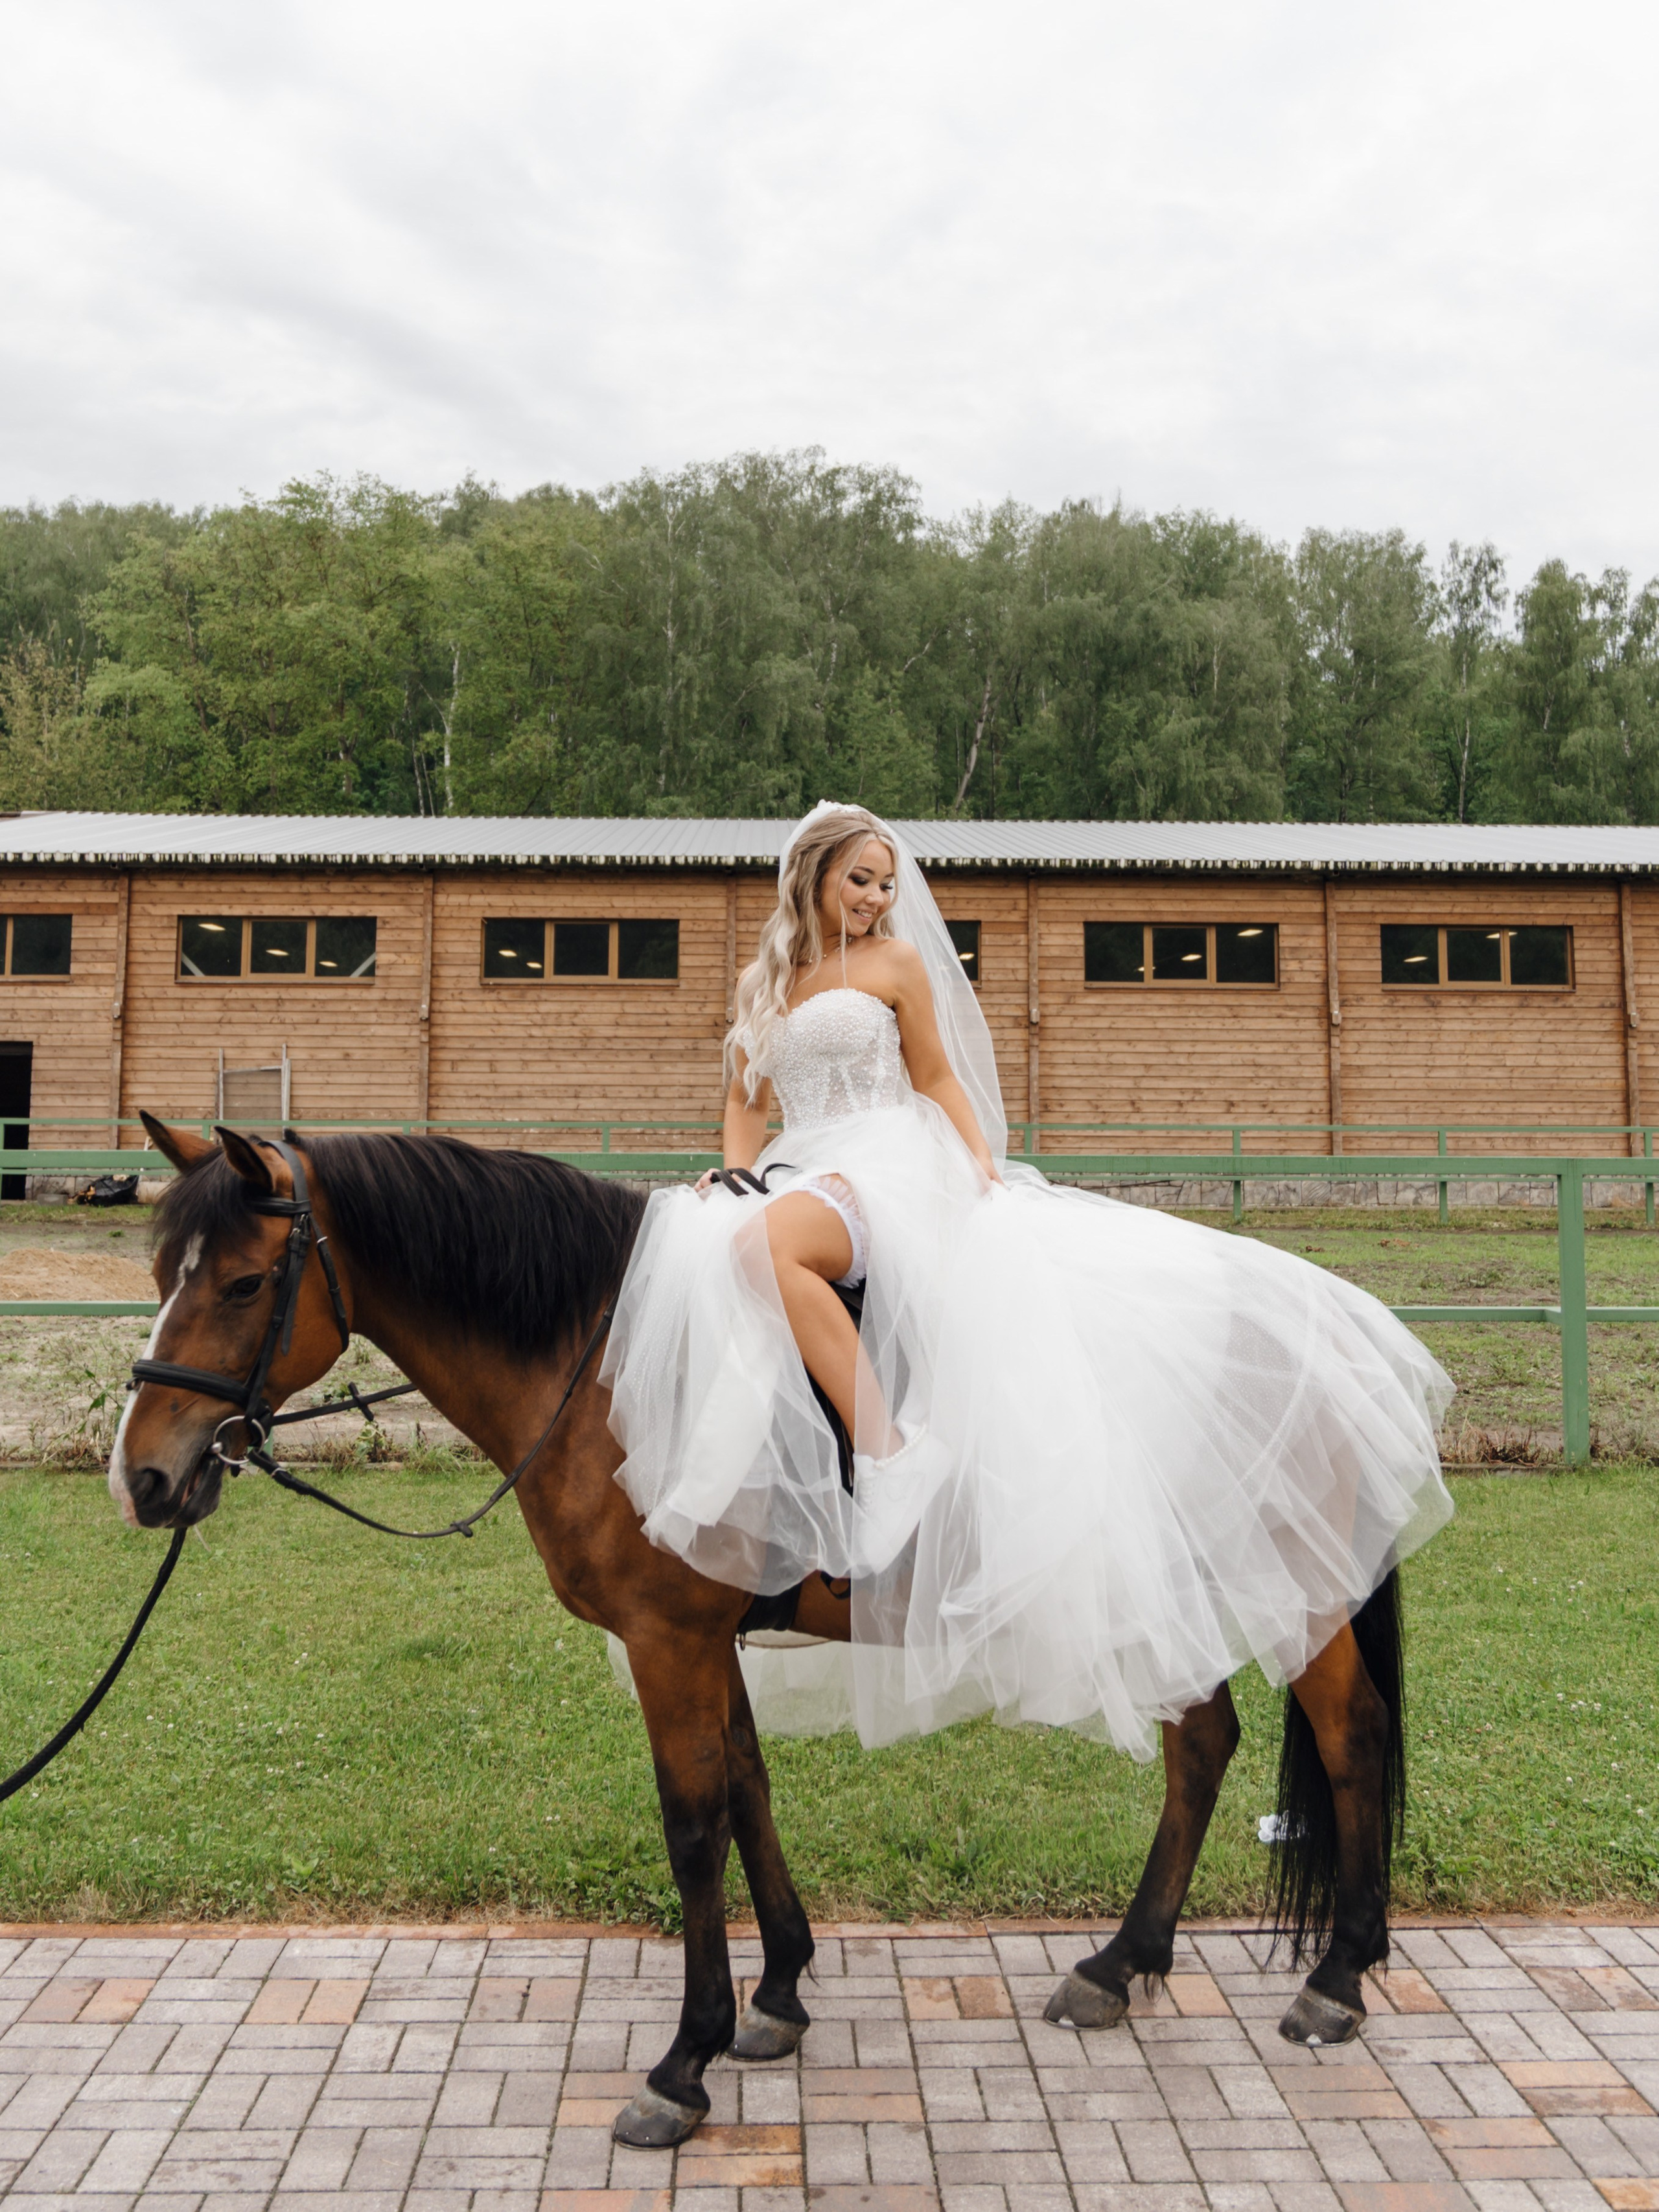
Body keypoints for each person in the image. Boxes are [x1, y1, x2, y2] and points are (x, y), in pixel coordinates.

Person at [601, 801, 1454, 1753]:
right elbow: (744, 1100)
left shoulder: (896, 965)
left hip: (887, 1163)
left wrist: (978, 1165)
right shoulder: (769, 980)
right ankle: (767, 1507)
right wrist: (735, 1168)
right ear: (811, 876)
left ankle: (888, 1452)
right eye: (861, 880)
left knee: (765, 1251)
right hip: (801, 1168)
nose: (879, 898)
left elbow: (936, 1076)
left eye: (887, 882)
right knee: (723, 1251)